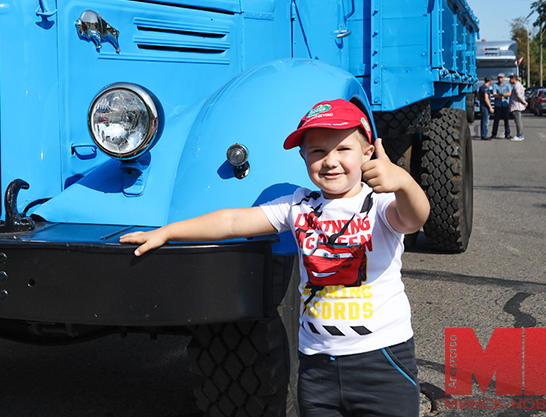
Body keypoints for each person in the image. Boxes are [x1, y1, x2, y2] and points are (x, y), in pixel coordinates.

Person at [120, 99, 429, 417]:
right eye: (318, 152)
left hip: (380, 361)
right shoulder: (299, 206)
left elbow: (414, 218)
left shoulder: (379, 204)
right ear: (303, 157)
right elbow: (232, 222)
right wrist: (168, 232)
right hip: (316, 365)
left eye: (342, 149)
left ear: (367, 153)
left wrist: (404, 183)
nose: (330, 161)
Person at [490, 73, 512, 139]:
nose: (500, 79)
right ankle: (494, 134)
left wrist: (501, 95)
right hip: (498, 105)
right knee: (496, 120)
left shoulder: (507, 85)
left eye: (501, 77)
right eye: (499, 78)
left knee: (506, 120)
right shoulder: (495, 85)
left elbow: (509, 93)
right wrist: (502, 95)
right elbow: (494, 94)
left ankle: (507, 133)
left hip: (505, 105)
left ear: (504, 78)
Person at [509, 74, 526, 141]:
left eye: (510, 79)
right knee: (518, 121)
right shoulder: (518, 84)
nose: (510, 80)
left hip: (516, 106)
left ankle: (520, 135)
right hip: (516, 105)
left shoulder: (516, 85)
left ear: (514, 79)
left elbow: (518, 95)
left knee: (518, 121)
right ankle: (520, 134)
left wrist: (524, 102)